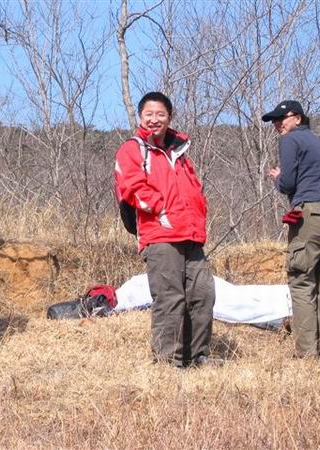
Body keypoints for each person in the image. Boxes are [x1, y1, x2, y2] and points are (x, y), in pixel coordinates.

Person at [114, 92, 219, 369]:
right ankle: (168, 361)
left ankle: (197, 356)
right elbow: (131, 186)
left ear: (169, 117)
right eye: (148, 114)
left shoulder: (179, 152)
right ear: (140, 117)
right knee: (170, 297)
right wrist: (161, 210)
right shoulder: (133, 149)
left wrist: (198, 215)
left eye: (160, 114)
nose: (154, 119)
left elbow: (194, 190)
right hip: (160, 234)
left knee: (203, 293)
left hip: (191, 235)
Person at [263, 100, 320, 358]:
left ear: (298, 118)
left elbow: (288, 183)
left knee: (301, 281)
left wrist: (278, 178)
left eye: (282, 118)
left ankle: (306, 354)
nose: (277, 124)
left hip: (310, 214)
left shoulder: (290, 140)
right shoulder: (319, 142)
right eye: (274, 121)